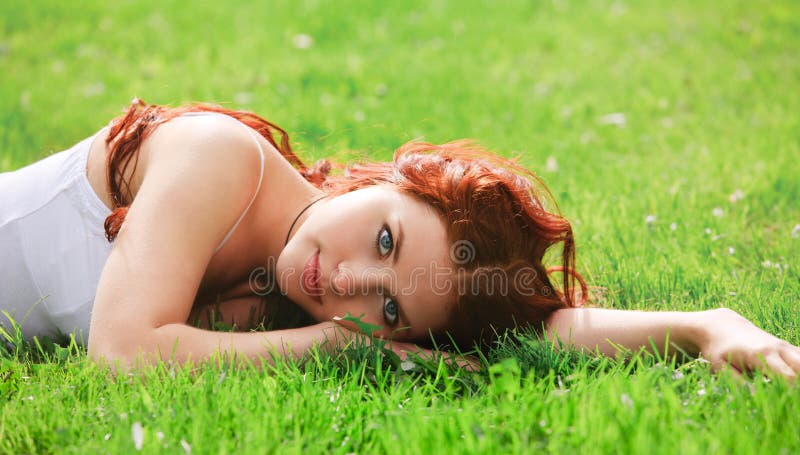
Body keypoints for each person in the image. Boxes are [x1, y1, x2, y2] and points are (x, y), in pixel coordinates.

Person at [0, 99, 798, 380]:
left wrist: (706, 327)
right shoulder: (218, 158)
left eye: (385, 309)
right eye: (384, 241)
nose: (345, 284)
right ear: (388, 179)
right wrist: (341, 347)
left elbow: (531, 325)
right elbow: (123, 354)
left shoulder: (296, 290)